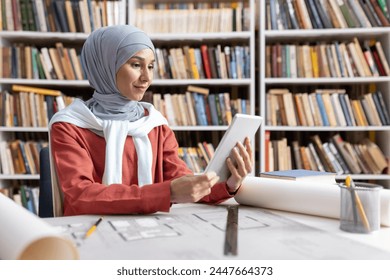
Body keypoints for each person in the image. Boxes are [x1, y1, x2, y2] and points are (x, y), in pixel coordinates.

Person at [49, 25, 253, 216]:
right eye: (136, 65)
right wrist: (168, 193)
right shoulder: (69, 126)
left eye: (151, 66)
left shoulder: (155, 124)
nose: (147, 78)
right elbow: (81, 196)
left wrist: (229, 184)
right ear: (105, 66)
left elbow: (182, 181)